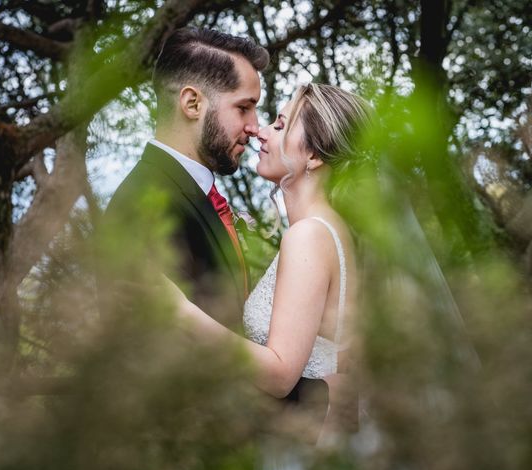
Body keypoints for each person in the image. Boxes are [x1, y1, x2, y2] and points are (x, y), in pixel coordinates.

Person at [99, 28, 328, 409]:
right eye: (244, 107)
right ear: (192, 104)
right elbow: (176, 373)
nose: (255, 125)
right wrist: (322, 398)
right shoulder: (143, 207)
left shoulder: (188, 196)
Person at [170, 83, 370, 440]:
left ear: (313, 157)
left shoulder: (308, 235)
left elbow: (279, 375)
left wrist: (177, 311)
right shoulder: (332, 231)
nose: (260, 132)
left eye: (279, 126)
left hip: (301, 447)